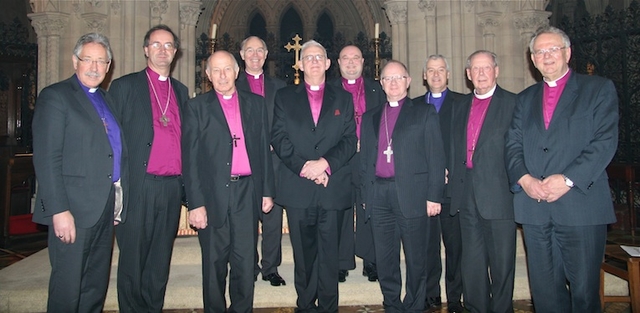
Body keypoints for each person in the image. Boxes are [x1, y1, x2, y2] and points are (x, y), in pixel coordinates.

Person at [505, 26, 619, 313]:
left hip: (580, 205)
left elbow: (604, 142)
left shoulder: (598, 89)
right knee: (545, 294)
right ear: (532, 59)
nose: (547, 56)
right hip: (535, 207)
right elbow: (512, 145)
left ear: (568, 53)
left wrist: (567, 179)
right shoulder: (525, 98)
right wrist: (525, 179)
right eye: (539, 51)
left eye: (553, 49)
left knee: (583, 293)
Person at [32, 32, 127, 312]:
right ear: (75, 61)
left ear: (109, 66)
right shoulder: (56, 96)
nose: (95, 67)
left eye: (102, 61)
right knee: (68, 287)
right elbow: (48, 159)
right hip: (72, 209)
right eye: (89, 60)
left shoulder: (107, 100)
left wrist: (118, 202)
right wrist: (59, 211)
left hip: (103, 206)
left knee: (95, 286)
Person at [183, 50, 275, 313]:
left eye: (227, 69)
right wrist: (195, 204)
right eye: (216, 70)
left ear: (237, 72)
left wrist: (267, 191)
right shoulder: (196, 107)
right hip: (212, 196)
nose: (222, 75)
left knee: (245, 261)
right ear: (208, 75)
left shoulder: (255, 104)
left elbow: (262, 151)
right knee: (213, 263)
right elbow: (190, 162)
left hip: (248, 190)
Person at [271, 40, 357, 312]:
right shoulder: (284, 97)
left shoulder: (343, 98)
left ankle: (329, 307)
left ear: (328, 63)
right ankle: (305, 305)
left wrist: (325, 164)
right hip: (298, 187)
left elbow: (349, 139)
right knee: (304, 255)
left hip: (331, 187)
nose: (314, 62)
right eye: (308, 58)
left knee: (330, 255)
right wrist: (305, 167)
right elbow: (279, 137)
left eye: (319, 57)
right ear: (300, 64)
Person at [109, 24, 189, 312]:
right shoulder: (124, 86)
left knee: (159, 260)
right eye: (156, 44)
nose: (163, 50)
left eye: (168, 45)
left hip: (170, 188)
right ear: (145, 49)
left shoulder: (181, 91)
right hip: (138, 186)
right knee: (133, 261)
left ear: (176, 51)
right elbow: (110, 141)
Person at [360, 60, 445, 313]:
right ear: (382, 84)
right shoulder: (370, 117)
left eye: (399, 78)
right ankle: (392, 304)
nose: (393, 83)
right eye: (388, 78)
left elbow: (436, 156)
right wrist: (366, 194)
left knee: (416, 258)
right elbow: (365, 159)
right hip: (379, 194)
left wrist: (434, 196)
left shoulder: (424, 112)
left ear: (408, 81)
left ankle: (414, 306)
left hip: (413, 195)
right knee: (385, 259)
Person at [448, 50, 517, 313]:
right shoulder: (460, 106)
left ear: (496, 71)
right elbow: (454, 148)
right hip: (466, 194)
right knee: (472, 263)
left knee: (502, 263)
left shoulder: (512, 103)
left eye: (486, 68)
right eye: (475, 69)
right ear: (467, 75)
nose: (481, 74)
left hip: (499, 193)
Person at [330, 44, 385, 283]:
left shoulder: (377, 89)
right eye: (345, 58)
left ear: (363, 62)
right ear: (338, 63)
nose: (351, 63)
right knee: (341, 208)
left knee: (369, 208)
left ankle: (371, 260)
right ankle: (341, 261)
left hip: (369, 159)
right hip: (340, 158)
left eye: (355, 58)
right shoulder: (329, 90)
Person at [413, 54, 464, 313]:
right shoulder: (413, 106)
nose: (435, 75)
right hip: (424, 189)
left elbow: (468, 145)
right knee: (427, 246)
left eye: (440, 70)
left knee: (455, 246)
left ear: (448, 74)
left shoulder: (462, 103)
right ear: (423, 75)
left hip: (453, 189)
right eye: (430, 70)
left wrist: (450, 171)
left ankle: (455, 297)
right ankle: (431, 293)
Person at [236, 35, 287, 287]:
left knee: (272, 218)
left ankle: (270, 267)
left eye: (260, 50)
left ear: (266, 56)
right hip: (244, 161)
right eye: (250, 50)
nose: (255, 55)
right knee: (246, 218)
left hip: (274, 161)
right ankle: (248, 266)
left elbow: (285, 123)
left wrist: (275, 143)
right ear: (242, 55)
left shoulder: (279, 86)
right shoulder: (231, 84)